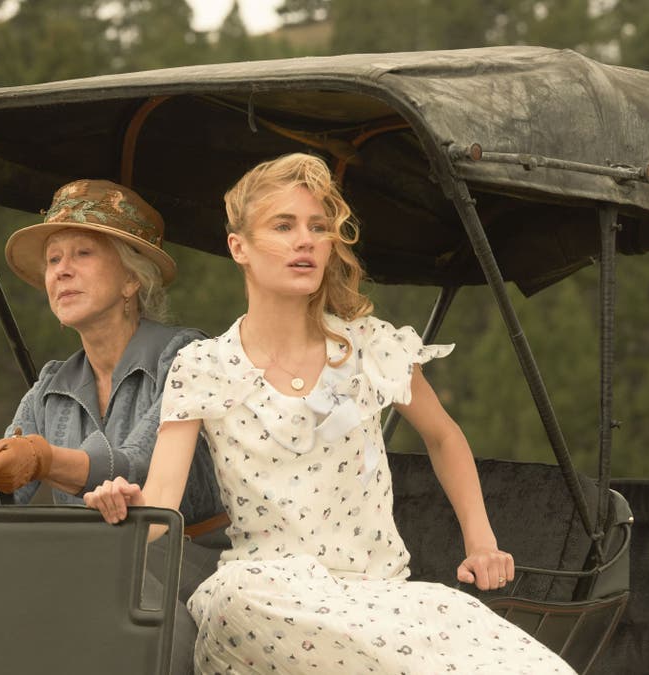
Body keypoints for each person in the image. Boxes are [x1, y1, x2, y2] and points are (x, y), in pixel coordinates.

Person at [85, 154, 575, 673]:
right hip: (264, 595)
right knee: (234, 605)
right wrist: (124, 504)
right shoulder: (203, 365)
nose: (306, 241)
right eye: (284, 225)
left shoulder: (370, 347)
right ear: (239, 247)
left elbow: (444, 436)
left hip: (379, 597)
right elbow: (162, 503)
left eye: (318, 227)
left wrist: (481, 544)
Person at [0, 179, 226, 674]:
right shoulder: (49, 387)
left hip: (187, 570)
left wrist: (45, 458)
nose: (61, 270)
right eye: (53, 259)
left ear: (132, 280)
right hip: (89, 573)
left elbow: (142, 466)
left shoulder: (185, 357)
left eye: (82, 253)